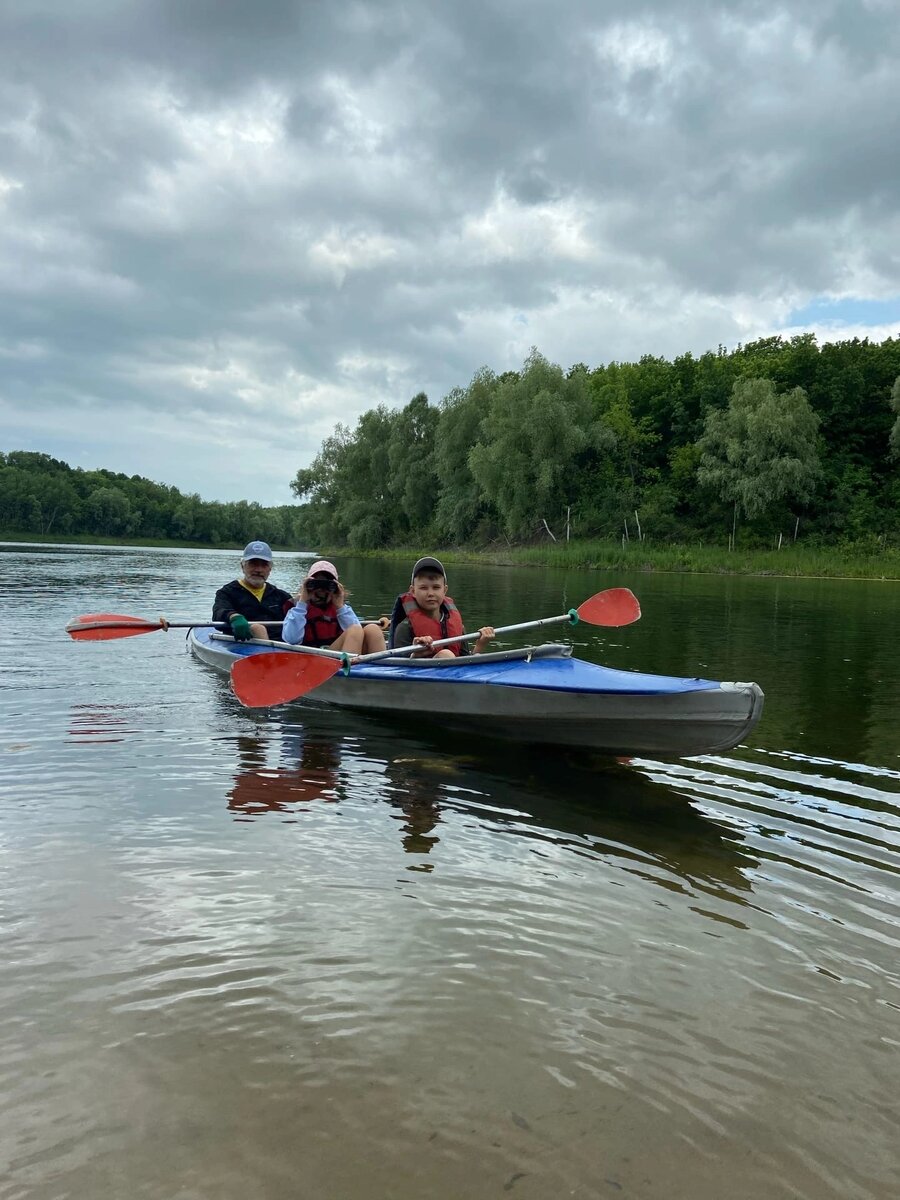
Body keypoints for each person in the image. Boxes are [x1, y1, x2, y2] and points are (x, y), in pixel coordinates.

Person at [388, 557, 494, 659]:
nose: (430, 593)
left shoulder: (458, 626)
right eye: (423, 588)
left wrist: (480, 646)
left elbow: (466, 662)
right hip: (418, 674)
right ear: (413, 591)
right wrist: (415, 655)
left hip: (454, 672)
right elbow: (399, 667)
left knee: (447, 655)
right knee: (446, 654)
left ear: (445, 590)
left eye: (436, 587)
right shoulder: (404, 628)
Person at [281, 560, 385, 655]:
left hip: (335, 655)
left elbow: (358, 635)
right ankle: (348, 673)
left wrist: (340, 606)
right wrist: (302, 602)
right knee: (355, 630)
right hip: (311, 659)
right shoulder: (298, 609)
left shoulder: (341, 610)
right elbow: (291, 639)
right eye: (316, 583)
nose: (321, 589)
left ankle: (382, 671)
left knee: (373, 629)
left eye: (327, 584)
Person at [212, 540, 294, 642]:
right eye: (253, 564)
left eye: (264, 565)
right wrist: (233, 616)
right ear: (242, 566)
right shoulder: (227, 592)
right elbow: (218, 612)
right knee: (257, 628)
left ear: (270, 569)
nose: (258, 569)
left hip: (281, 647)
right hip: (243, 645)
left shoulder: (281, 596)